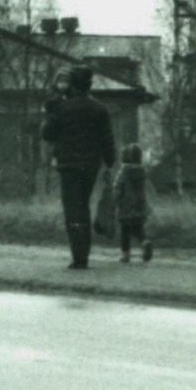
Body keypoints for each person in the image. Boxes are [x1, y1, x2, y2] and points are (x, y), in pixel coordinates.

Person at [40, 63, 116, 270]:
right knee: (83, 206)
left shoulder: (62, 108)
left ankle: (80, 258)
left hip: (69, 167)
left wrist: (50, 110)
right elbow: (107, 139)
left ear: (72, 85)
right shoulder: (99, 108)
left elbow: (47, 134)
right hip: (91, 166)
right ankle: (84, 254)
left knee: (74, 211)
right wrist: (109, 162)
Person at [111, 144, 154, 263]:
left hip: (125, 204)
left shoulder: (124, 171)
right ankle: (145, 242)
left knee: (125, 229)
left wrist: (116, 199)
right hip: (139, 205)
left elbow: (117, 186)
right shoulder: (142, 171)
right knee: (138, 228)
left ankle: (126, 254)